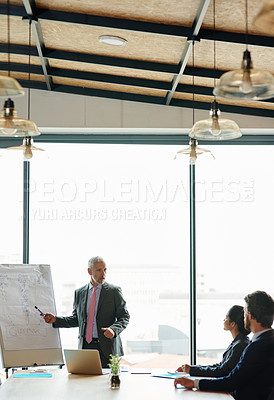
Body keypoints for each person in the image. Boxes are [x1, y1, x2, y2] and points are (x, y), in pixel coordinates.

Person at [174, 291, 274, 400]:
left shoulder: (256, 346)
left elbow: (231, 381)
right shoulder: (267, 340)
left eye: (245, 313)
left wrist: (195, 383)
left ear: (249, 315)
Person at [43, 256, 130, 368]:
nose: (103, 273)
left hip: (107, 348)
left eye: (105, 270)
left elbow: (124, 317)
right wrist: (56, 319)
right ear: (89, 271)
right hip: (85, 347)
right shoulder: (79, 292)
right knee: (85, 383)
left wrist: (114, 329)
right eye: (99, 270)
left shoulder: (114, 291)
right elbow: (76, 319)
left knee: (105, 384)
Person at [176, 305, 250, 377]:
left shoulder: (240, 344)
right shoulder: (238, 342)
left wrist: (192, 370)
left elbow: (222, 371)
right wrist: (192, 368)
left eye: (226, 318)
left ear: (233, 324)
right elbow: (221, 366)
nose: (223, 320)